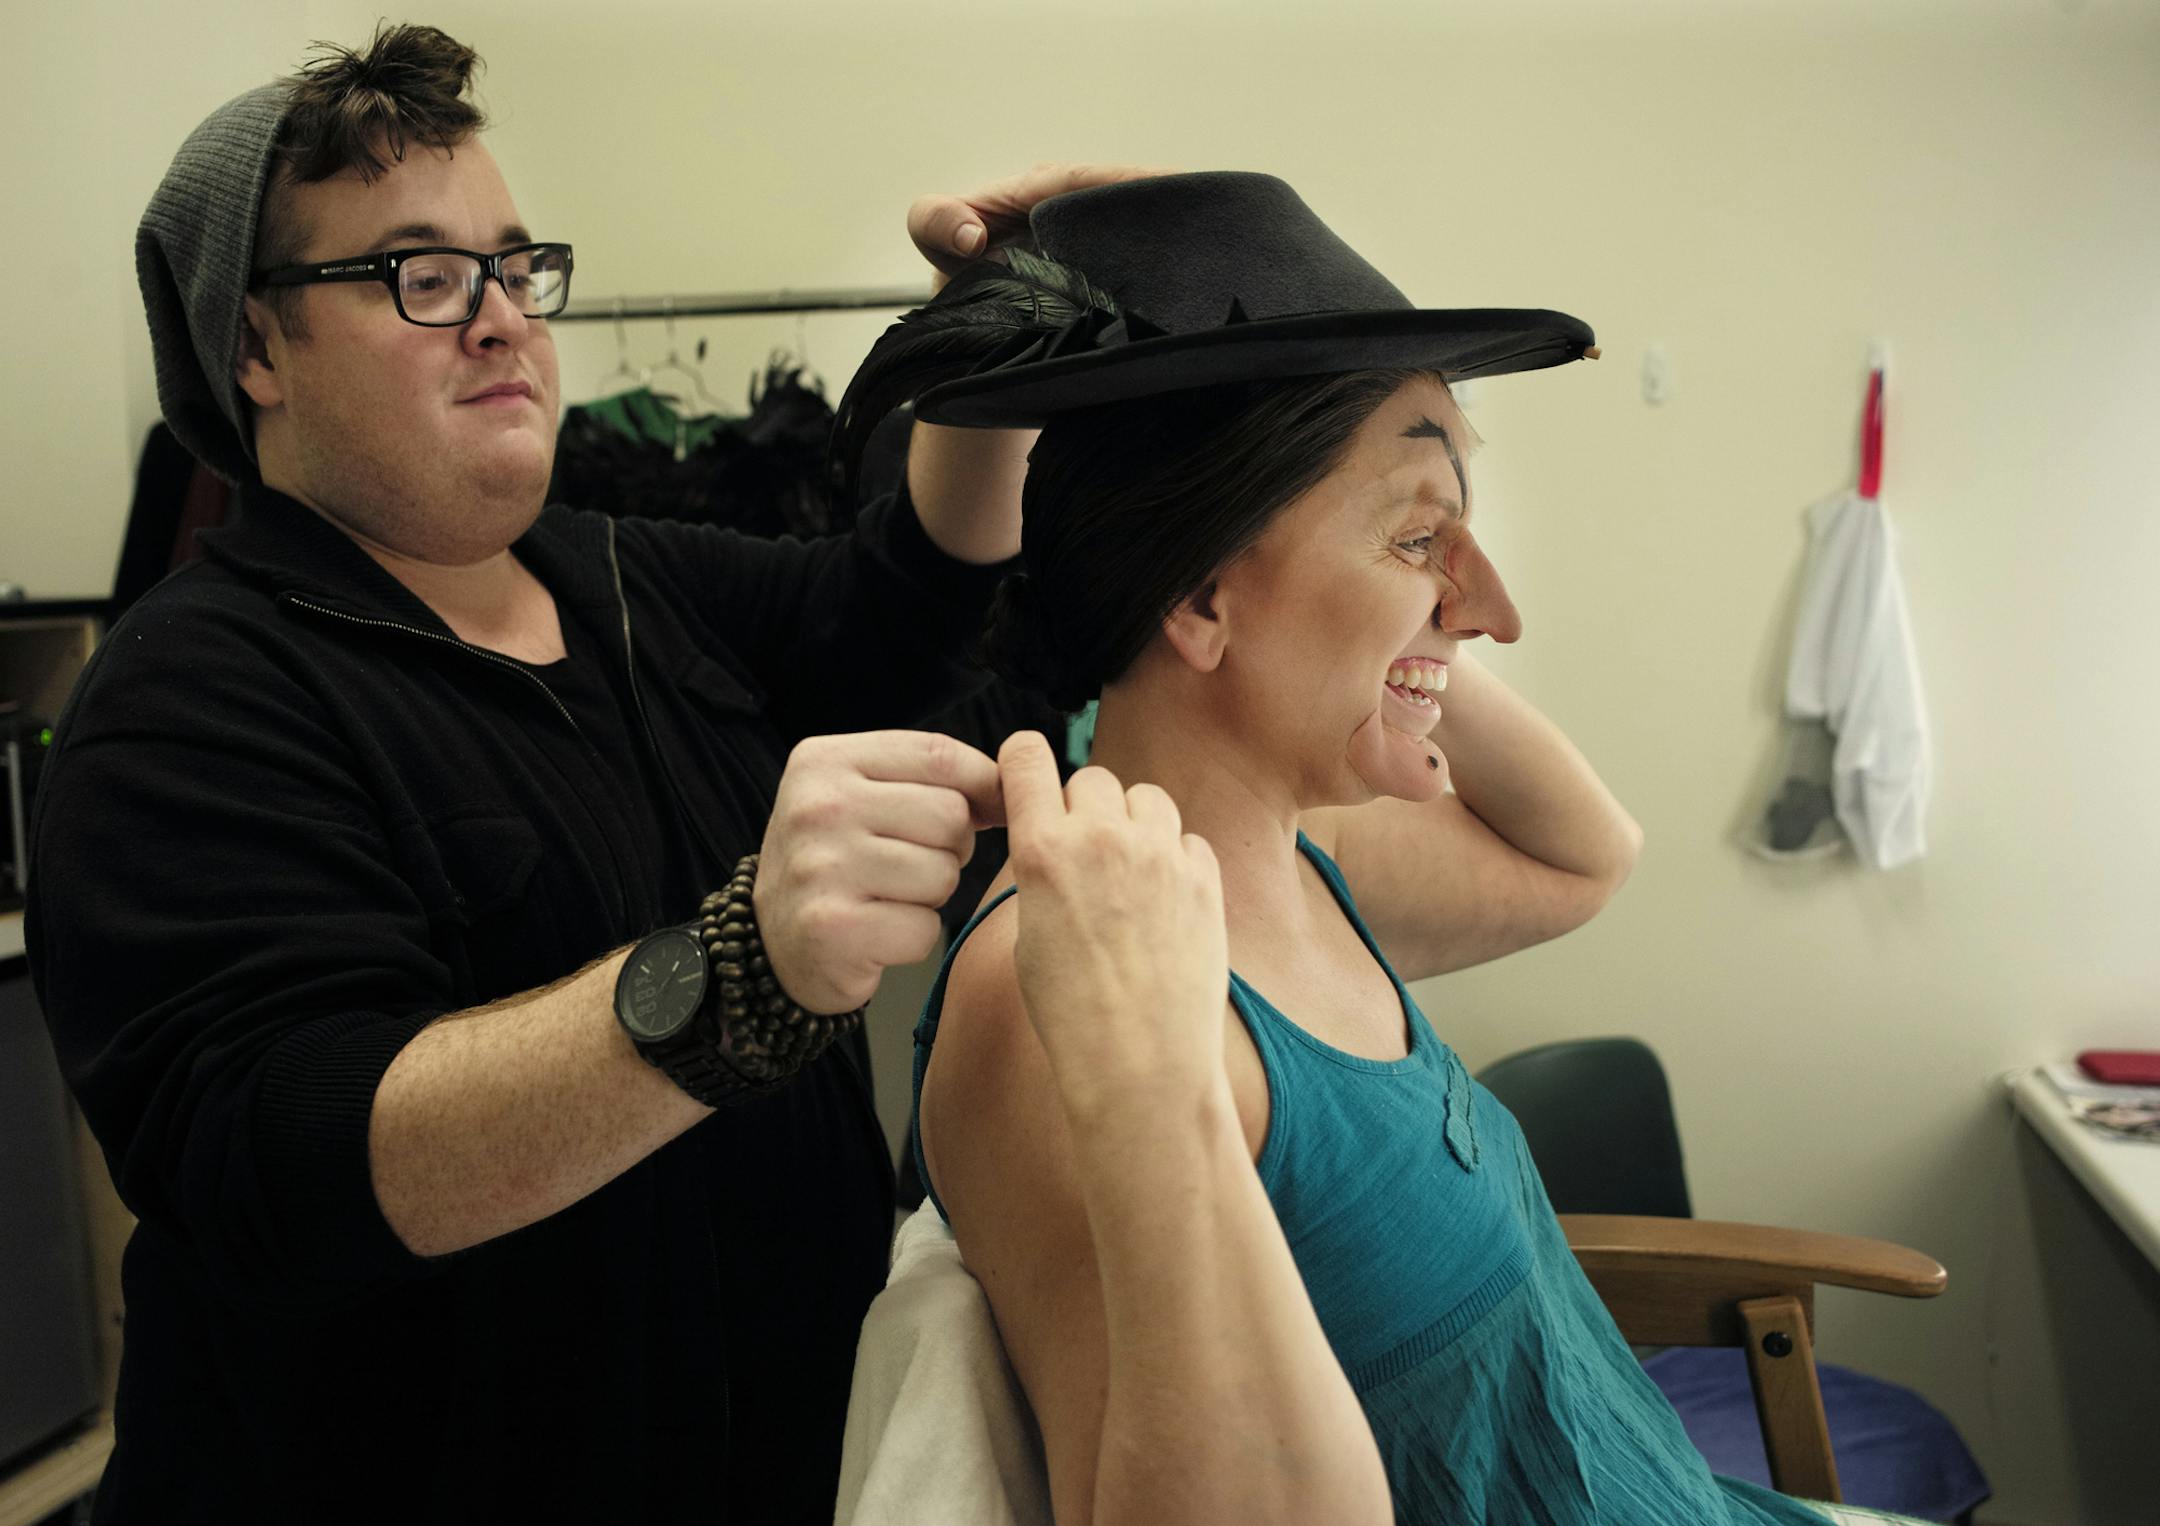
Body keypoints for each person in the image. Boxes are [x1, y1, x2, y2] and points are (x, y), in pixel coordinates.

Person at [27, 22, 1146, 1524]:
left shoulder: (616, 573)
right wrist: (737, 973)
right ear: (253, 346)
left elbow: (891, 607)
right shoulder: (185, 697)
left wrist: (989, 358)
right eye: (420, 276)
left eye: (511, 264)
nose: (501, 319)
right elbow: (296, 1154)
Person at [836, 172, 1893, 1524]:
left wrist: (1407, 626)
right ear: (1203, 595)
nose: (1494, 608)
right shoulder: (1064, 1003)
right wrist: (1391, 630)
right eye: (1418, 534)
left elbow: (1586, 856)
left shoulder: (1294, 862)